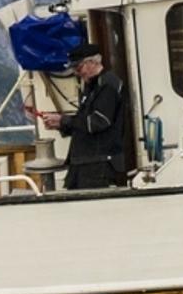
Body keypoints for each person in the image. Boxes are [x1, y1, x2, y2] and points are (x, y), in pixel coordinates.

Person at [32, 44, 128, 191]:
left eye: (78, 67)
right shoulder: (91, 87)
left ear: (92, 63)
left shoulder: (108, 85)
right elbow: (83, 122)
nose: (77, 73)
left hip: (99, 167)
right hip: (84, 165)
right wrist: (60, 124)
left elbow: (97, 122)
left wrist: (63, 120)